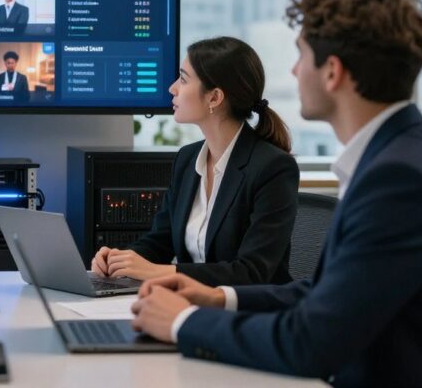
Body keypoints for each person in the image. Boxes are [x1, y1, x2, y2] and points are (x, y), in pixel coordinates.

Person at [130, 0, 422, 388]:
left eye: (301, 55)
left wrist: (183, 323)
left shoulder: (401, 179)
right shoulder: (405, 155)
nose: (294, 70)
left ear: (332, 71)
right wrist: (216, 297)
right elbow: (325, 295)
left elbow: (310, 342)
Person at [92, 37, 298, 286]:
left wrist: (160, 273)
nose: (173, 88)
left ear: (214, 98)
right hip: (193, 305)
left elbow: (251, 272)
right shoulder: (188, 159)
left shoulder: (272, 168)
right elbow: (160, 240)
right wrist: (120, 260)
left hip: (249, 313)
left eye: (183, 79)